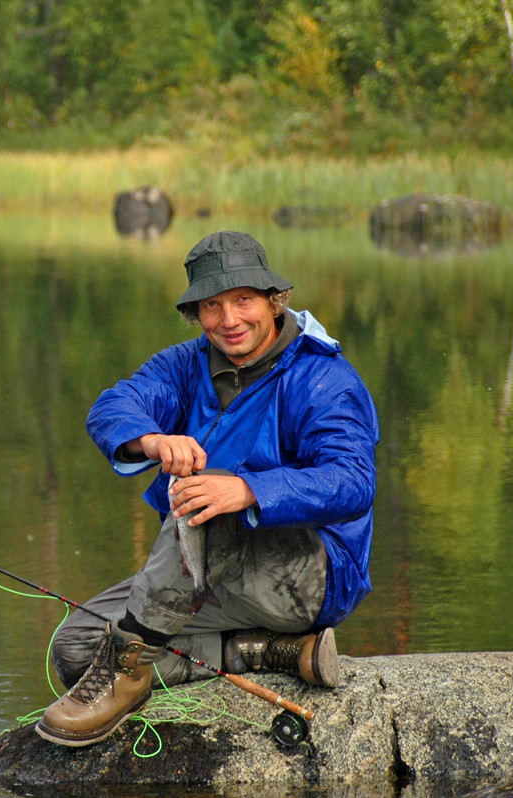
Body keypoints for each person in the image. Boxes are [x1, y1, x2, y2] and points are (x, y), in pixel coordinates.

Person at [36, 230, 379, 747]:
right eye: (212, 306)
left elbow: (353, 482)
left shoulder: (322, 377)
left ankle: (128, 677)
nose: (229, 320)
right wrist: (151, 440)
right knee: (78, 649)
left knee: (208, 494)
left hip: (313, 575)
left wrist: (247, 490)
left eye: (244, 301)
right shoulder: (183, 365)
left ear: (274, 300)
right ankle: (264, 653)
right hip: (203, 568)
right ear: (197, 313)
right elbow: (112, 407)